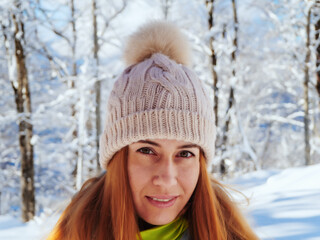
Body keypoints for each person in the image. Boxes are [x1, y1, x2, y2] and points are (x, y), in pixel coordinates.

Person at [47, 21, 258, 240]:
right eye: (147, 150)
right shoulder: (74, 233)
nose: (166, 179)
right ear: (119, 157)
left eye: (185, 154)